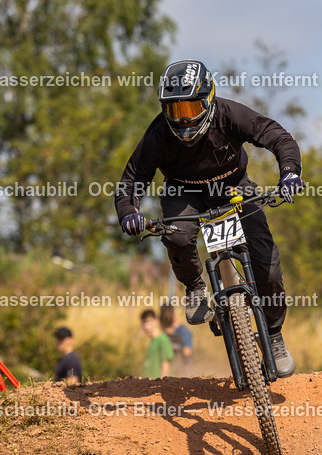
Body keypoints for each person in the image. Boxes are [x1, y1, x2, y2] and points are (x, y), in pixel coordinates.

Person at [115, 59, 304, 378]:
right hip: (183, 193)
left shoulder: (230, 115)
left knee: (268, 267)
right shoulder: (159, 134)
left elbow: (278, 137)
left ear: (209, 99)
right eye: (175, 111)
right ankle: (195, 287)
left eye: (191, 108)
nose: (183, 119)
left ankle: (273, 335)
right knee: (176, 236)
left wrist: (289, 174)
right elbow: (131, 181)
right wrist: (129, 212)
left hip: (234, 186)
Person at [159, 305, 193, 376]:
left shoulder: (182, 330)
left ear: (173, 316)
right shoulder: (164, 332)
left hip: (182, 372)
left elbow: (187, 352)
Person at [140, 309, 173, 379]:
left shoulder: (163, 340)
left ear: (156, 321)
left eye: (148, 322)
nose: (145, 326)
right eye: (143, 322)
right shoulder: (153, 341)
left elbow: (166, 365)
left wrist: (161, 386)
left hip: (157, 387)